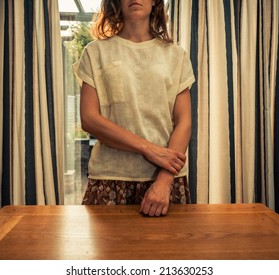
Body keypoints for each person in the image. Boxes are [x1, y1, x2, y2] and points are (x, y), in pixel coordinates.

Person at [73, 0, 195, 217]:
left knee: (170, 251)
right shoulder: (95, 52)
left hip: (165, 180)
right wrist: (149, 149)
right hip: (109, 178)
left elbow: (184, 122)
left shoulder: (176, 55)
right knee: (107, 251)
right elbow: (89, 119)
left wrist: (165, 179)